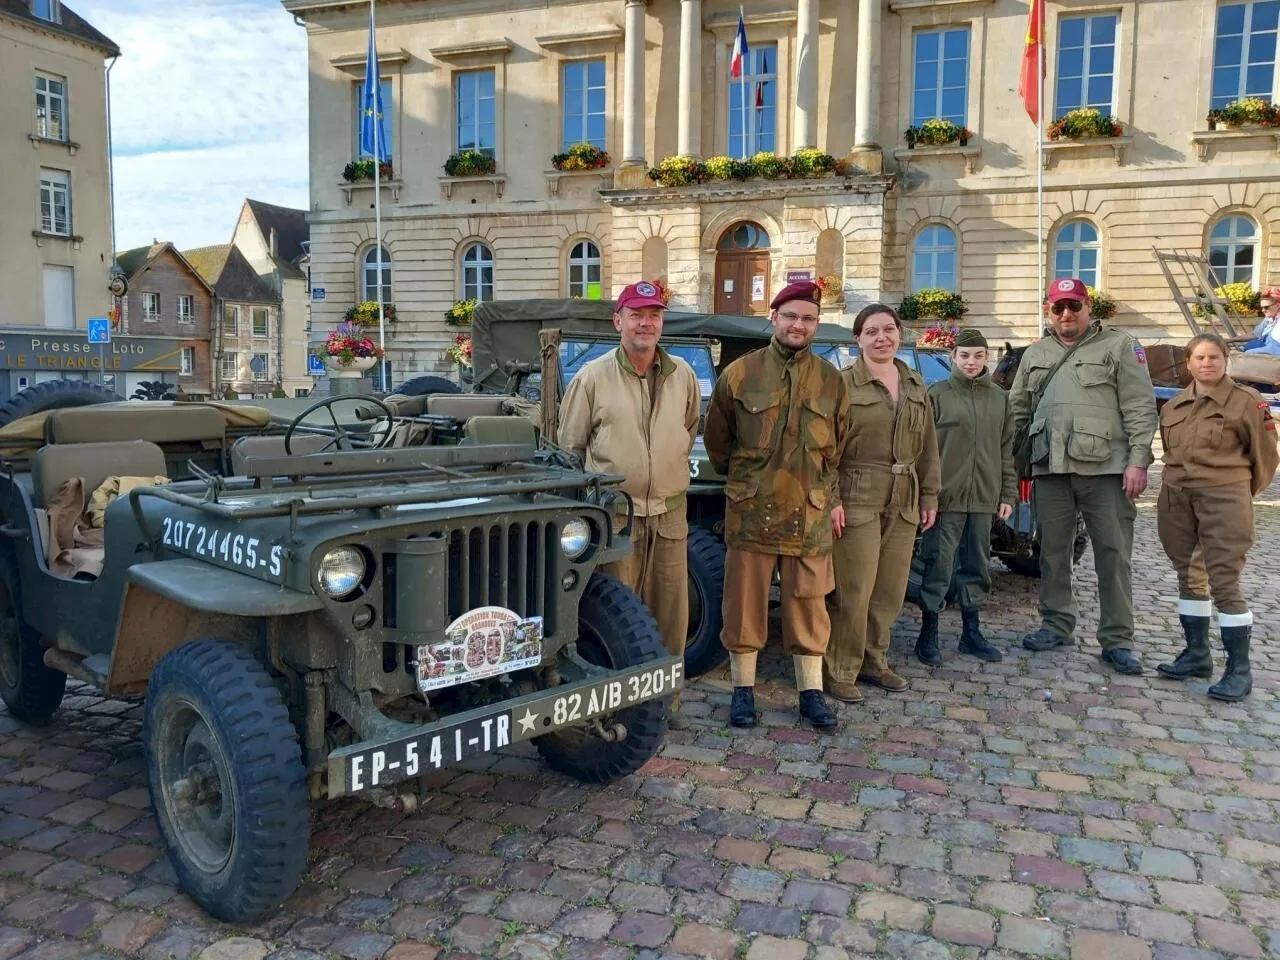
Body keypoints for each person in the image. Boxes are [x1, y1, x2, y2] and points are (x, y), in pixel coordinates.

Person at [703, 280, 847, 731]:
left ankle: (810, 694)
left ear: (816, 325)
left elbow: (837, 447)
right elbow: (718, 440)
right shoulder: (740, 374)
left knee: (808, 606)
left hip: (810, 513)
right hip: (752, 511)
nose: (798, 324)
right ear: (774, 317)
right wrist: (751, 479)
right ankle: (743, 692)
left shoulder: (831, 380)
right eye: (790, 316)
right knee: (743, 605)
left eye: (807, 318)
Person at [558, 279, 700, 725]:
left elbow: (689, 429)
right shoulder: (591, 377)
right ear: (617, 320)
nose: (646, 322)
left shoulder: (683, 375)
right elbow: (569, 452)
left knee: (671, 613)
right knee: (618, 612)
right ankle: (618, 702)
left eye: (654, 315)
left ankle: (666, 701)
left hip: (670, 514)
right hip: (615, 517)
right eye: (637, 314)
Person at [1010, 277, 1158, 674]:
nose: (1066, 314)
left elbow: (1141, 407)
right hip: (1050, 468)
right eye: (1058, 307)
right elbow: (1018, 410)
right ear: (1048, 311)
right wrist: (1015, 464)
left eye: (1073, 305)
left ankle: (1117, 639)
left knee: (1113, 557)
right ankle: (1056, 623)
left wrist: (1138, 461)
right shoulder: (1035, 353)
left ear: (1088, 307)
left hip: (1107, 471)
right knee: (1052, 554)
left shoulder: (1120, 346)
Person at [823, 304, 940, 702]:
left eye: (888, 330)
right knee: (853, 589)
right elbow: (826, 450)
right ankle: (840, 668)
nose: (881, 338)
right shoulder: (841, 384)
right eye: (871, 331)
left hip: (904, 493)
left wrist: (929, 494)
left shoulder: (914, 384)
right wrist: (832, 500)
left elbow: (928, 448)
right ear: (857, 339)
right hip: (857, 491)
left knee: (889, 588)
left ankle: (875, 660)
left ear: (900, 335)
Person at [1155, 332, 1278, 700]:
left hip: (1224, 497)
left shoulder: (1246, 403)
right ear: (1188, 363)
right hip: (1178, 498)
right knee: (1188, 575)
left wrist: (1235, 492)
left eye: (1214, 357)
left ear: (1226, 361)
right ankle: (1196, 654)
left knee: (1224, 580)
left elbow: (1266, 460)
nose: (1206, 364)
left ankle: (1239, 670)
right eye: (1199, 358)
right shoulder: (1173, 407)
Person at [914, 327, 1014, 665]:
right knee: (938, 565)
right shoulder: (937, 394)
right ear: (953, 357)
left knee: (977, 564)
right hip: (945, 499)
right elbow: (922, 449)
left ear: (988, 358)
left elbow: (1005, 451)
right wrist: (926, 494)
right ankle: (928, 633)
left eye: (978, 356)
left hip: (984, 498)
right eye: (965, 355)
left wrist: (1007, 493)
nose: (971, 362)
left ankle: (972, 632)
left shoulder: (1000, 398)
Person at [1241, 288, 1280, 352]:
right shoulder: (1269, 319)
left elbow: (1275, 349)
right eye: (1261, 308)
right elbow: (1255, 334)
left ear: (1278, 305)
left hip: (1273, 356)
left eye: (1266, 307)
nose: (1263, 310)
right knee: (1253, 344)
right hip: (1266, 350)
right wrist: (1230, 340)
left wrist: (1249, 353)